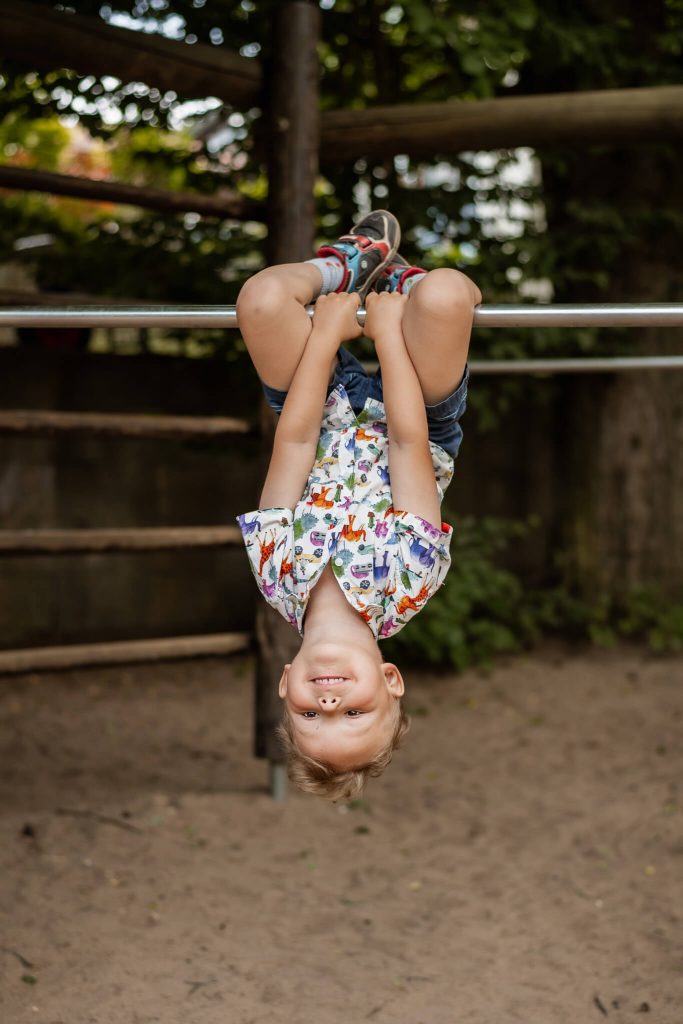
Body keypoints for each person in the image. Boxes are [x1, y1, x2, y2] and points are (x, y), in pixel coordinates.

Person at [236, 211, 481, 799]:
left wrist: (325, 334)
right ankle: (401, 285)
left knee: (262, 298)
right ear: (391, 681)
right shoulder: (407, 583)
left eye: (310, 716)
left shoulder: (277, 576)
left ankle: (347, 263)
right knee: (450, 295)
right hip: (418, 408)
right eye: (353, 715)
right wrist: (389, 333)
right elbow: (407, 441)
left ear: (285, 683)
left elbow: (293, 442)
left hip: (318, 404)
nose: (328, 702)